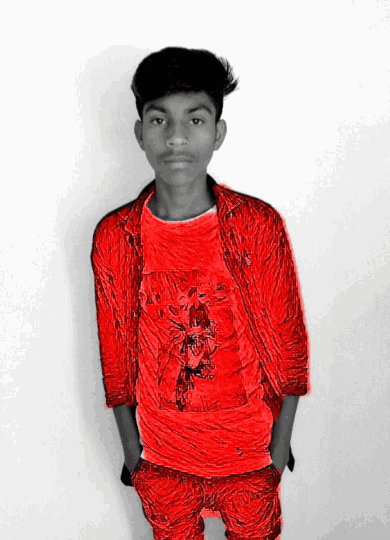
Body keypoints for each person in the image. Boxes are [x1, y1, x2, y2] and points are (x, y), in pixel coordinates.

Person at [91, 46, 310, 540]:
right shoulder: (116, 237)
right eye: (159, 120)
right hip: (163, 464)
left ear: (218, 132)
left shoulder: (257, 226)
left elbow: (290, 346)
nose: (176, 137)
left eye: (195, 119)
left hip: (250, 460)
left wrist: (277, 453)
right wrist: (134, 456)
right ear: (140, 133)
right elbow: (116, 355)